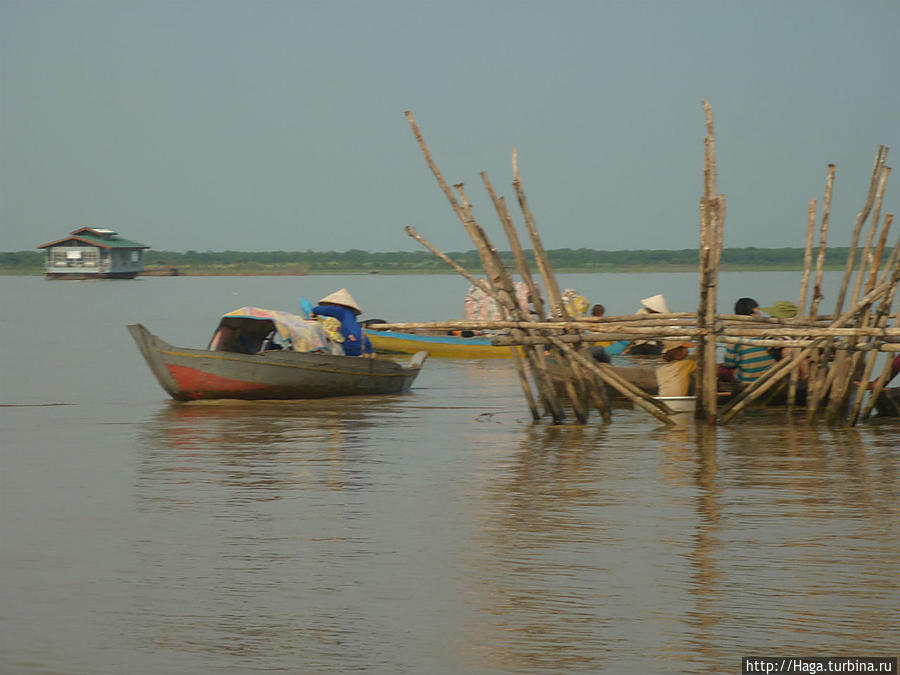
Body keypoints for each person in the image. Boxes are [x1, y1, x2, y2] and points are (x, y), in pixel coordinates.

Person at [720, 297, 777, 385]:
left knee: (724, 371)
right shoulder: (769, 327)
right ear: (754, 312)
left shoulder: (735, 333)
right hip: (772, 378)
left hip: (748, 381)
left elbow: (729, 363)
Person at [311, 289, 373, 357]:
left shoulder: (341, 311)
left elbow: (321, 309)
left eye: (331, 305)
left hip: (353, 343)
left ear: (337, 305)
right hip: (366, 344)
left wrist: (314, 311)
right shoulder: (350, 315)